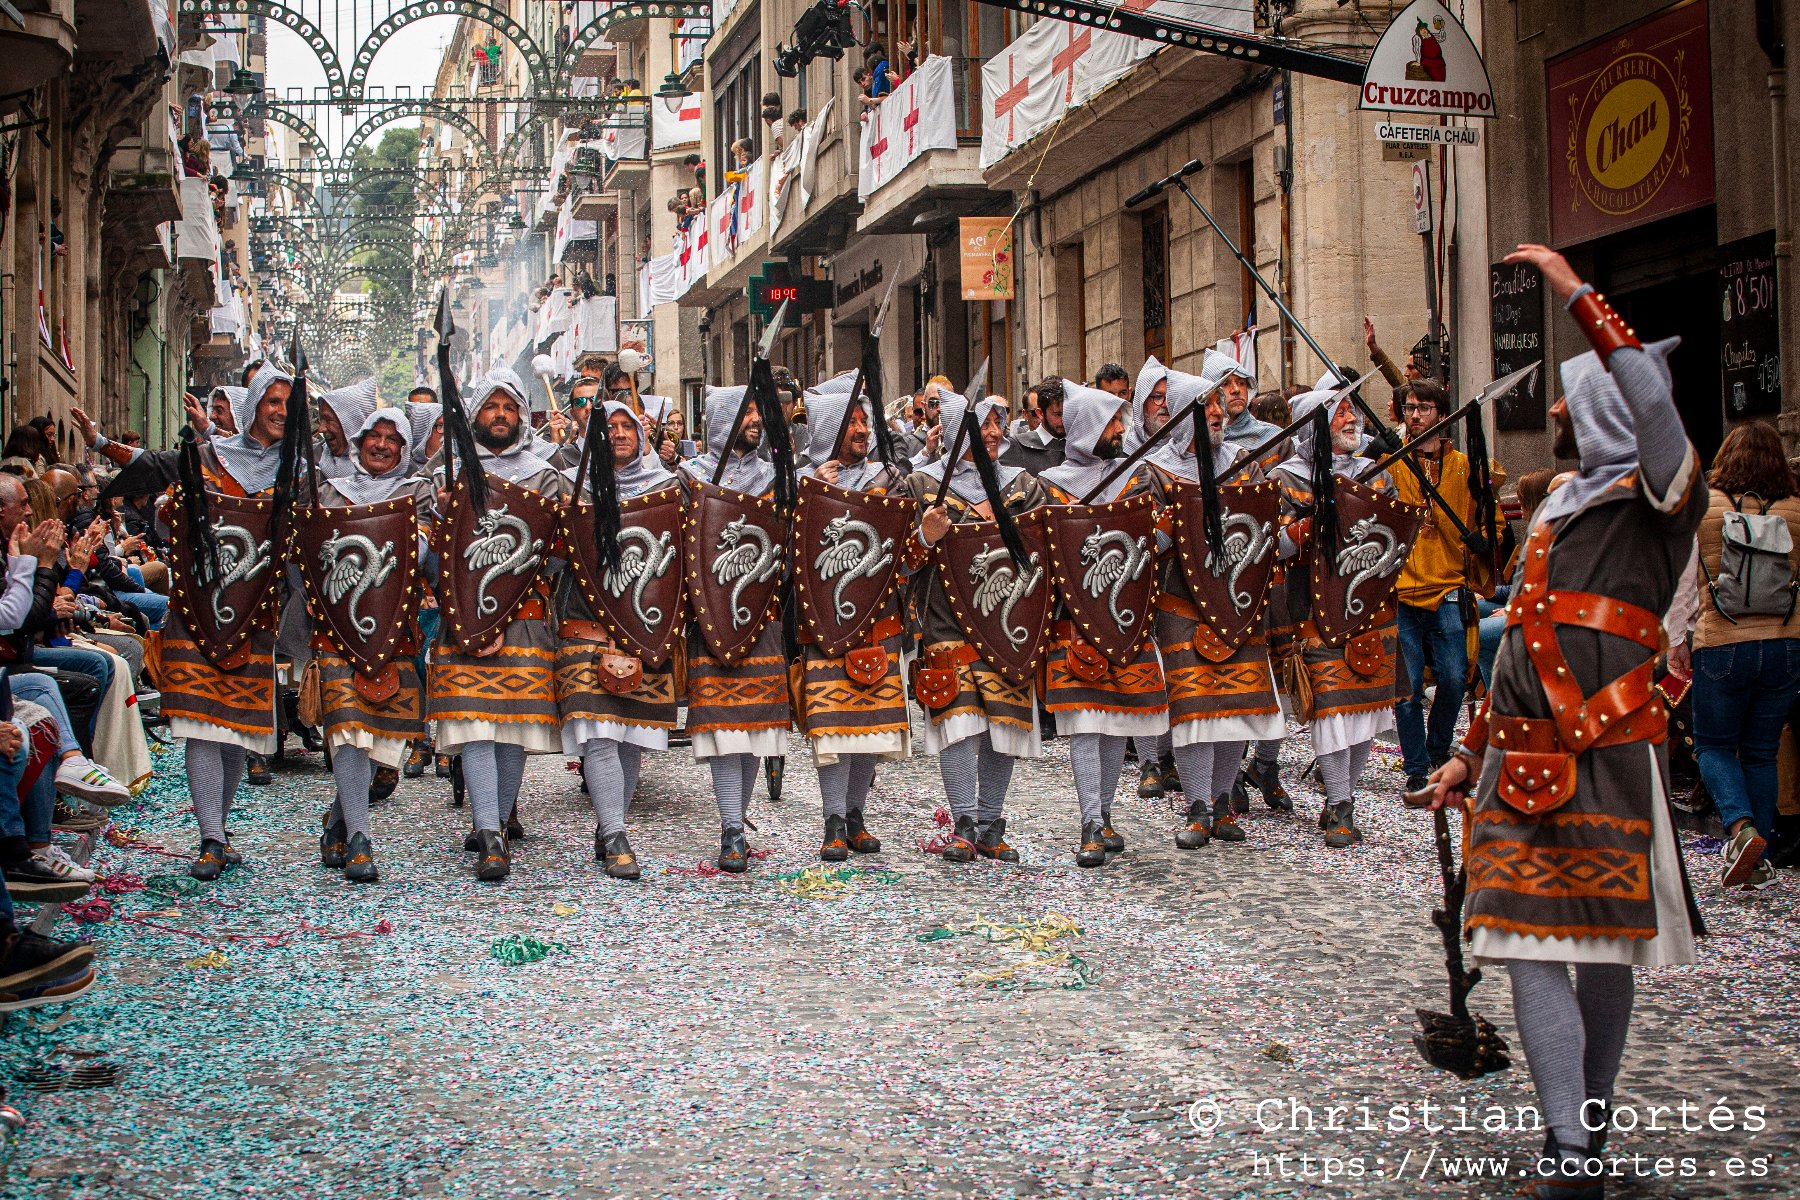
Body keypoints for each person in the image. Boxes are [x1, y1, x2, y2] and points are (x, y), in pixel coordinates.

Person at [1426, 244, 1704, 1199]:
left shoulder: (1661, 502)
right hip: (1516, 767)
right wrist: (1467, 753)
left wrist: (1575, 293)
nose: (1553, 417)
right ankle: (1570, 1142)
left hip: (1609, 760)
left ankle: (1586, 1120)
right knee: (1523, 944)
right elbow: (1517, 646)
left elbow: (1659, 408)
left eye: (1569, 401)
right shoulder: (1553, 512)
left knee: (1600, 949)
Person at [78, 366, 294, 878]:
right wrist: (102, 443)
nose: (281, 410)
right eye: (273, 401)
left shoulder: (298, 469)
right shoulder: (209, 455)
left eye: (289, 402)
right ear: (255, 406)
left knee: (238, 728)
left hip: (256, 612)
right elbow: (151, 464)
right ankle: (211, 838)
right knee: (201, 723)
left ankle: (219, 829)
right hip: (197, 608)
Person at [429, 369, 568, 882]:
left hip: (526, 616)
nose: (502, 415)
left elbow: (558, 551)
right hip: (464, 616)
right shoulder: (445, 472)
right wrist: (444, 519)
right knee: (476, 725)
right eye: (492, 407)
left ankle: (500, 819)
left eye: (510, 406)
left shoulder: (545, 473)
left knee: (512, 725)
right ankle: (488, 829)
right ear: (476, 415)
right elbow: (425, 559)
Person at [907, 394, 1046, 863]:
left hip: (1008, 622)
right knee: (961, 723)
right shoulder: (923, 483)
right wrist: (926, 535)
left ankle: (991, 821)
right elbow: (900, 565)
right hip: (945, 621)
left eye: (998, 423)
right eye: (983, 424)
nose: (993, 432)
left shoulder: (1023, 484)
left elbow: (1044, 553)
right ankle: (963, 821)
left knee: (1002, 724)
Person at [1039, 382, 1168, 865]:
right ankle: (1089, 820)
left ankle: (1106, 813)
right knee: (1086, 724)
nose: (1122, 429)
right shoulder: (1049, 484)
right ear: (1091, 426)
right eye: (1113, 421)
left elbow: (1152, 547)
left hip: (1127, 615)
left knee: (1117, 719)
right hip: (1073, 622)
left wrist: (1167, 531)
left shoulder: (1136, 479)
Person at [1271, 386, 1403, 850]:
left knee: (1366, 707)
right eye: (1339, 411)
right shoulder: (1287, 478)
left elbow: (1395, 531)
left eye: (1351, 408)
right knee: (1329, 707)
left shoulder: (1375, 472)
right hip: (1315, 606)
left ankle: (1339, 797)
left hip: (1371, 601)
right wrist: (1308, 525)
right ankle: (1342, 804)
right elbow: (1276, 545)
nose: (1351, 418)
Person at [306, 408, 434, 883]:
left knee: (380, 736)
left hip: (394, 629)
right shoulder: (328, 490)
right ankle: (360, 838)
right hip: (337, 628)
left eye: (391, 439)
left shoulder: (416, 491)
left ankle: (339, 818)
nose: (380, 446)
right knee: (348, 731)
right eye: (373, 438)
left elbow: (421, 550)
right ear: (359, 443)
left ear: (404, 449)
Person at [556, 401, 680, 880]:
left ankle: (614, 823)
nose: (621, 433)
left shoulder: (667, 489)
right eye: (611, 426)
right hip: (583, 623)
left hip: (645, 626)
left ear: (643, 433)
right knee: (601, 734)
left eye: (629, 425)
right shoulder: (570, 486)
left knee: (632, 736)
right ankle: (614, 834)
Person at [796, 377, 912, 860]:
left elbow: (907, 544)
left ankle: (856, 814)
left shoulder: (892, 476)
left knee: (869, 725)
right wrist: (812, 495)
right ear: (829, 430)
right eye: (853, 423)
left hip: (879, 614)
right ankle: (832, 819)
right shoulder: (804, 478)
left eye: (866, 421)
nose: (863, 430)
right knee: (833, 725)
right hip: (823, 617)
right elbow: (789, 547)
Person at [1681, 419, 1800, 890]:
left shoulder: (1705, 508)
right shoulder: (1795, 510)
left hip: (1722, 640)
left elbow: (1684, 583)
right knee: (1761, 752)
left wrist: (1675, 641)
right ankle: (1761, 856)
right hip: (1786, 643)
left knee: (1711, 744)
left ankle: (1740, 828)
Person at [679, 385, 791, 871]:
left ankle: (737, 821)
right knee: (726, 728)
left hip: (763, 614)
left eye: (758, 411)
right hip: (712, 617)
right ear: (723, 420)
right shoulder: (689, 478)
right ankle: (729, 826)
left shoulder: (776, 477)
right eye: (746, 411)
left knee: (754, 729)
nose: (756, 419)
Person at [1388, 379, 1478, 794]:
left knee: (1455, 677)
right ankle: (1416, 766)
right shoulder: (1393, 463)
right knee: (1405, 689)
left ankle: (1439, 746)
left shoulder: (1464, 465)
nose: (1416, 415)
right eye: (1409, 407)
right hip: (1403, 589)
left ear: (1441, 415)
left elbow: (1485, 517)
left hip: (1447, 586)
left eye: (1424, 407)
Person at [1001, 377, 1065, 474]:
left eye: (1068, 413)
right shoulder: (1016, 447)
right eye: (1058, 414)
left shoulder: (1079, 445)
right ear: (1040, 413)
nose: (1063, 420)